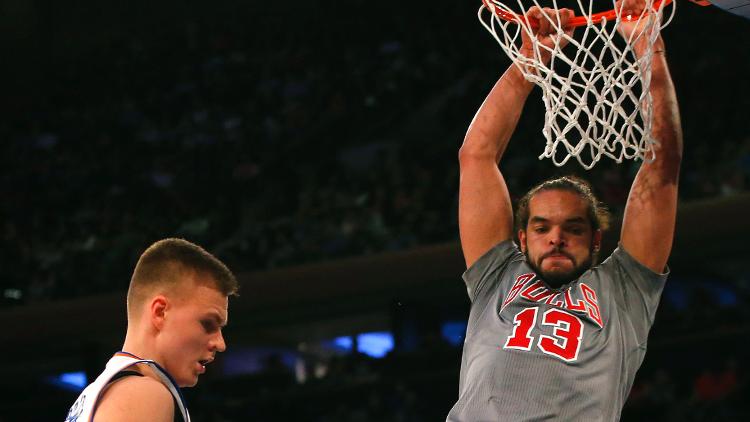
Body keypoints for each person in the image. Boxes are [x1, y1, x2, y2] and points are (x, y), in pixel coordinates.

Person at [447, 1, 682, 420]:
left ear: (595, 240)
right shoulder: (495, 276)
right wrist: (530, 62)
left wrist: (649, 46)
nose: (556, 237)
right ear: (522, 238)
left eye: (572, 228)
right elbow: (476, 155)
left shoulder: (625, 289)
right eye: (542, 227)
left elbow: (662, 165)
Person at [65, 238, 238, 422]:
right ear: (160, 312)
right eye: (208, 323)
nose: (220, 344)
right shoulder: (144, 394)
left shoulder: (95, 395)